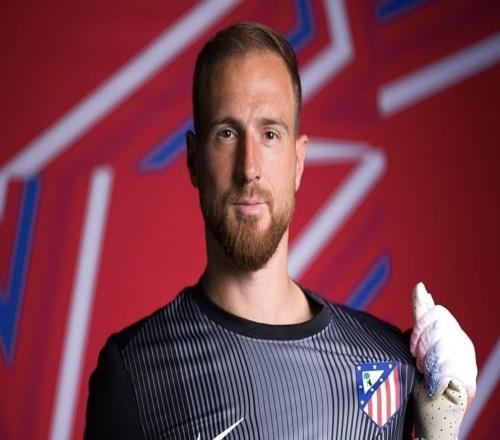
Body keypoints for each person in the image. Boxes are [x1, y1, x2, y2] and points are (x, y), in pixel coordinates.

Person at [85, 22, 477, 439]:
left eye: (270, 134)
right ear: (193, 161)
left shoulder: (389, 361)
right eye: (226, 134)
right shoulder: (134, 371)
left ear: (298, 162)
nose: (249, 168)